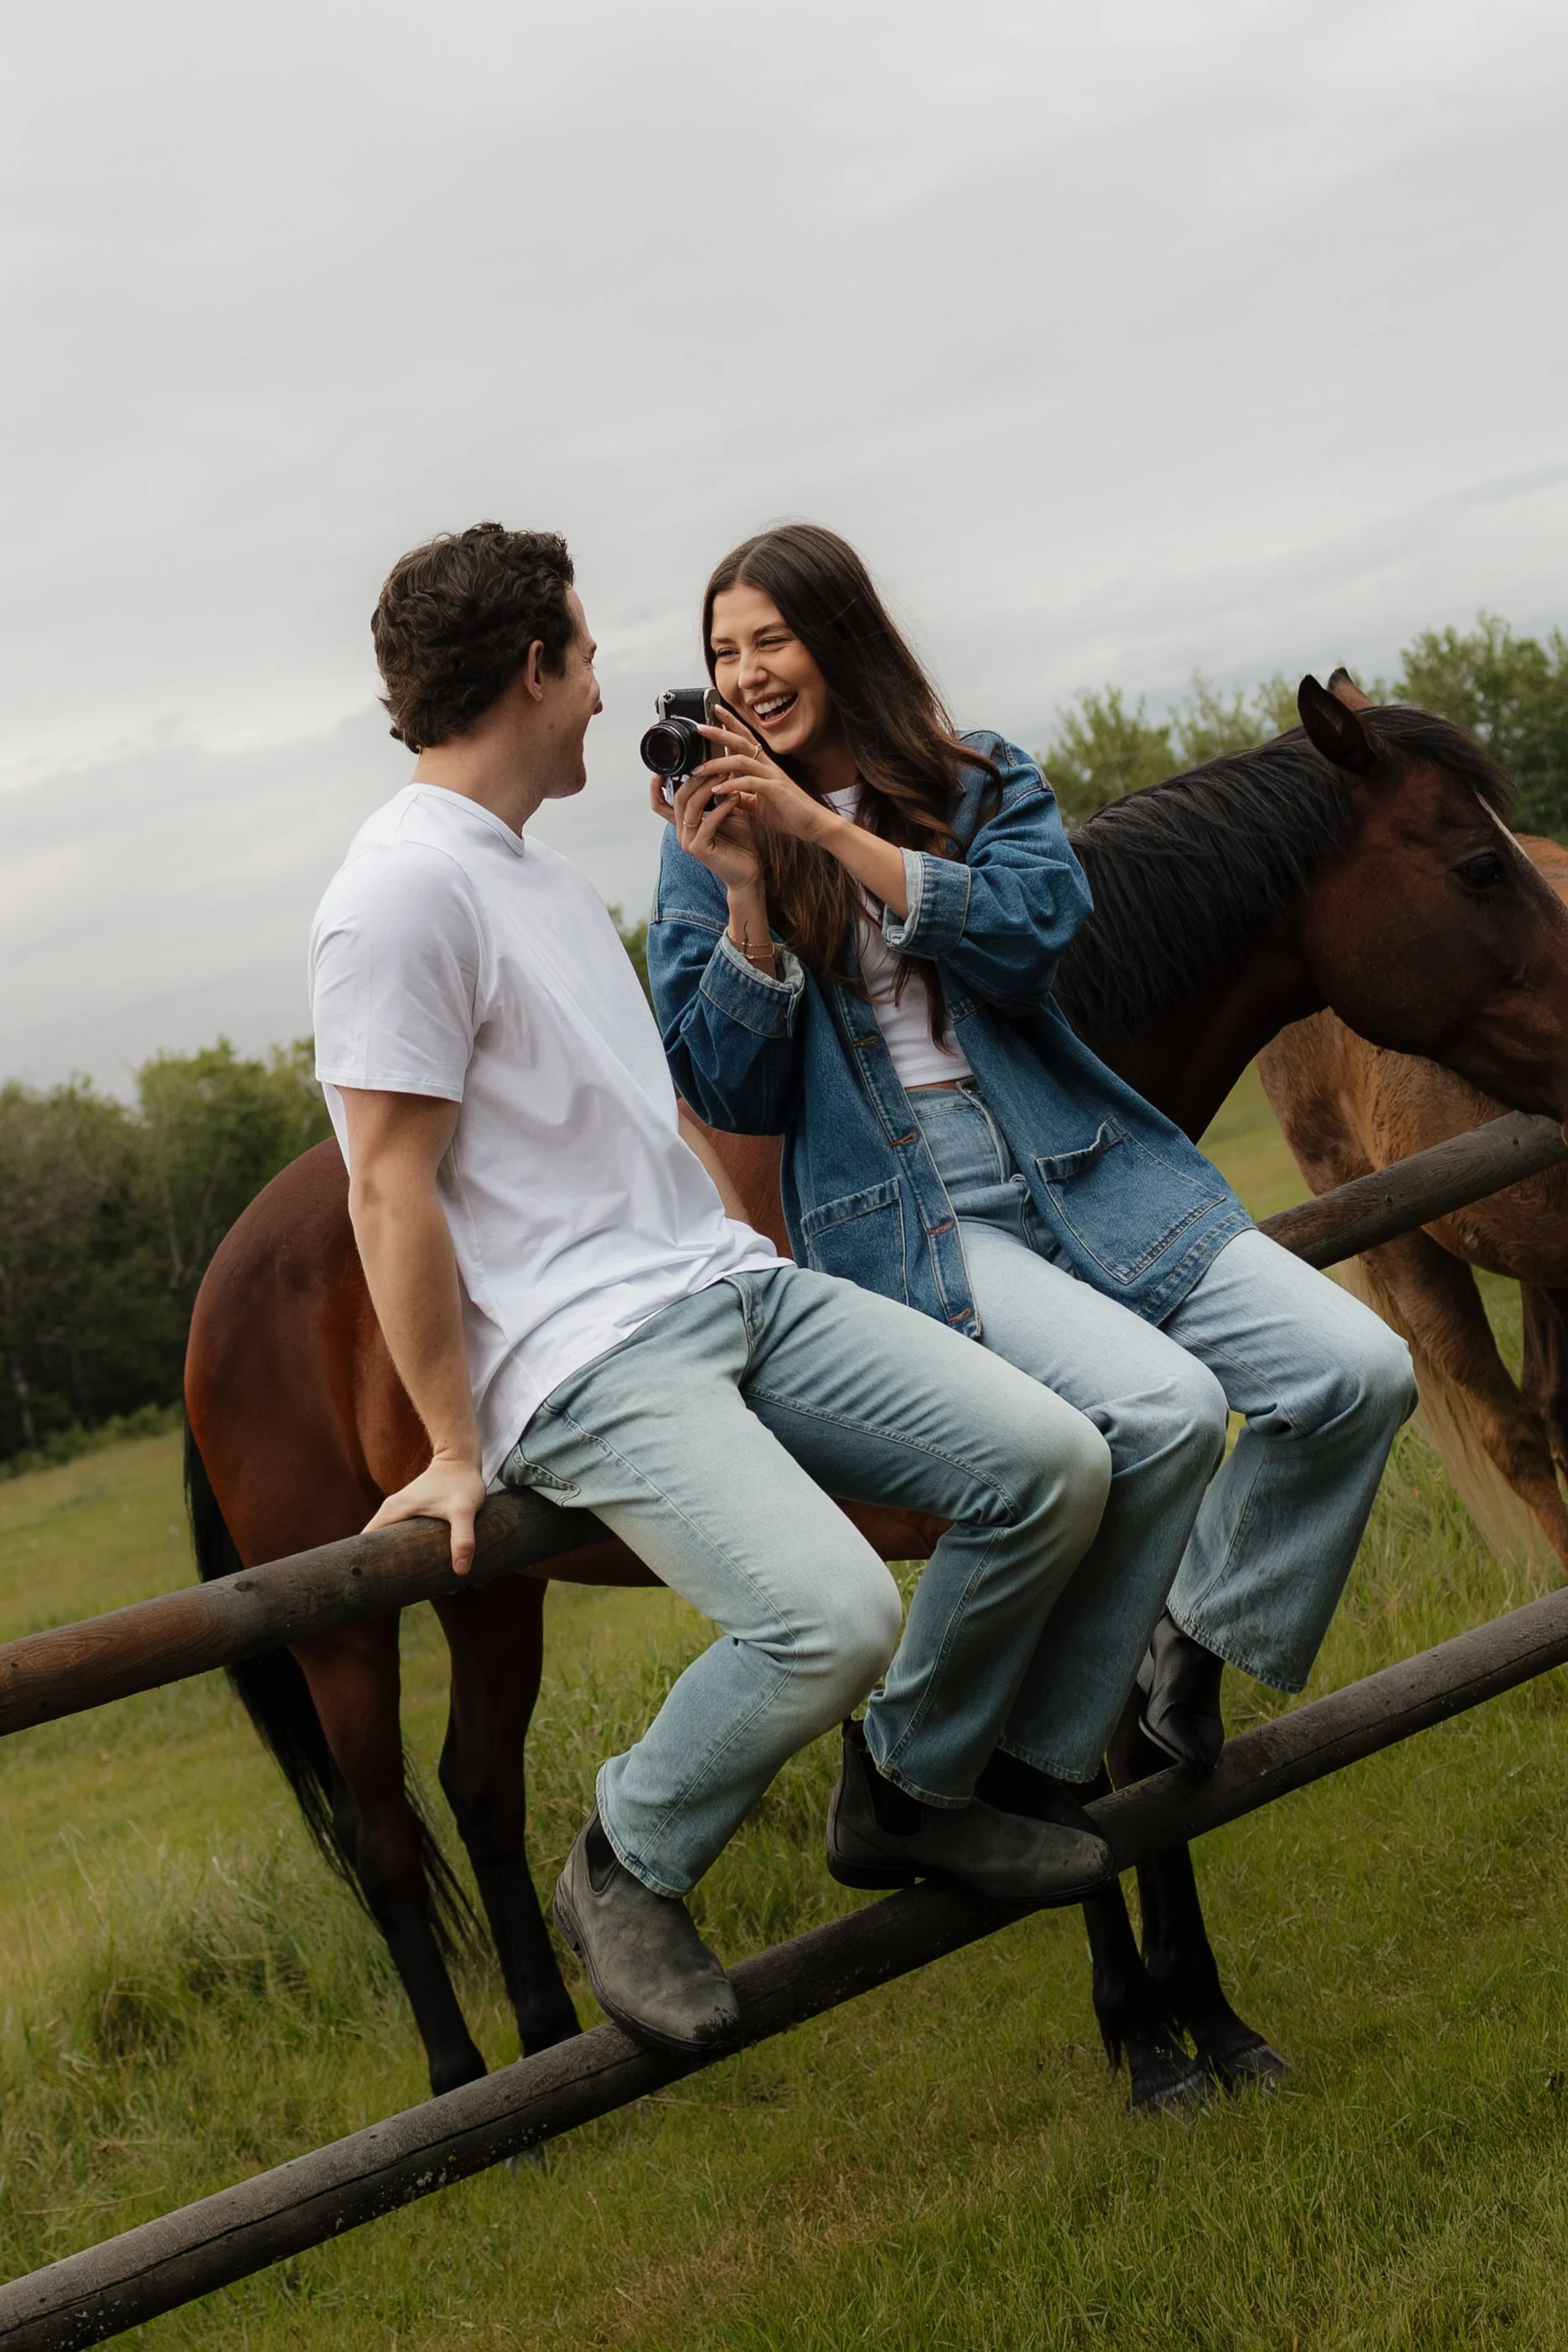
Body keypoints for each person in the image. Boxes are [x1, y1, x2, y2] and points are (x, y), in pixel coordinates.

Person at [308, 521, 1121, 2062]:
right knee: (828, 1617)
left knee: (1053, 1462)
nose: (613, 692)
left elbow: (644, 1119)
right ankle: (628, 1853)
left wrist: (742, 895)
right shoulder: (398, 894)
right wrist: (456, 1447)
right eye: (591, 655)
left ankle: (914, 1789)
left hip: (725, 1285)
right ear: (533, 668)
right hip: (588, 1357)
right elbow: (384, 1185)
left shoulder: (530, 875)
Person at [646, 522, 1417, 1852]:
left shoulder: (979, 774)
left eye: (769, 636)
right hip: (905, 1216)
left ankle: (1191, 1632)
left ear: (840, 633)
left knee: (1358, 1370)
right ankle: (976, 1769)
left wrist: (828, 839)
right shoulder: (704, 840)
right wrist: (746, 897)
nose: (749, 670)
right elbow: (725, 1087)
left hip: (1085, 1160)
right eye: (724, 651)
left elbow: (1031, 935)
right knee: (1166, 1410)